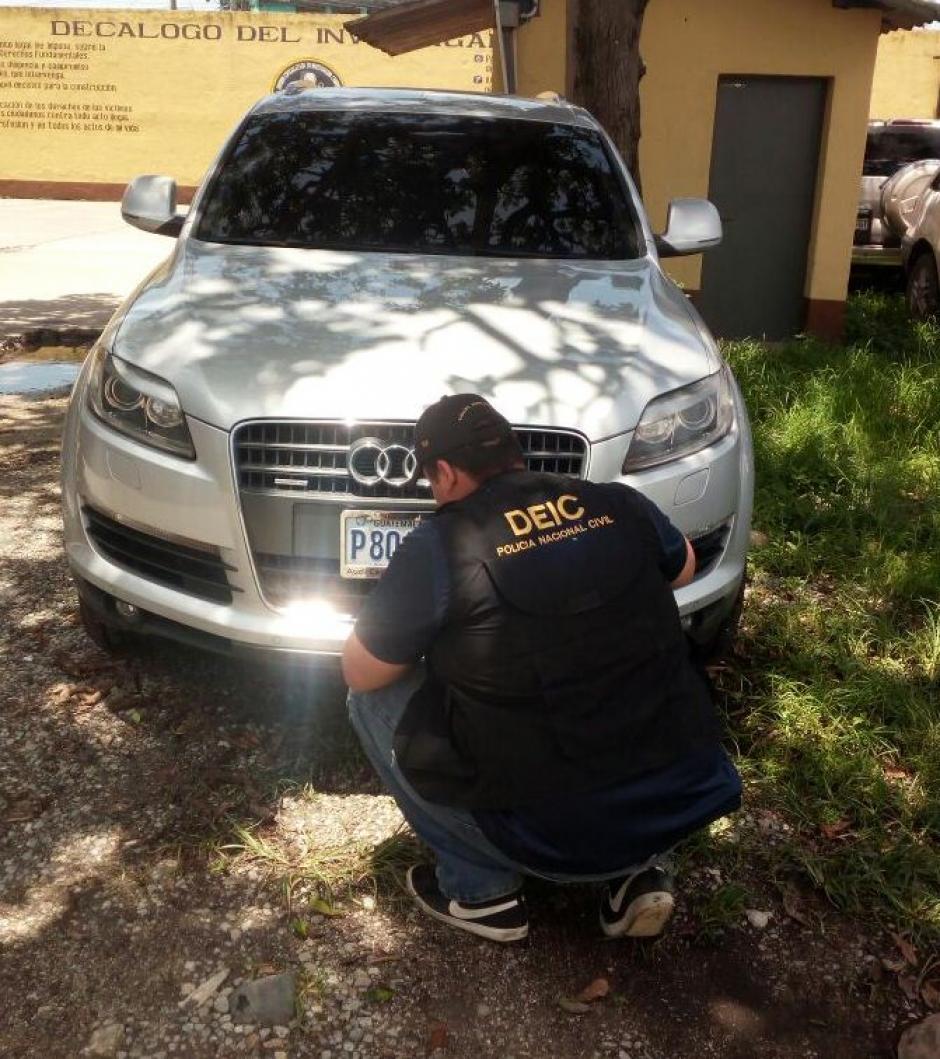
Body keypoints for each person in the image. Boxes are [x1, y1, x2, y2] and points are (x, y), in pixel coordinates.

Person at [342, 394, 741, 943]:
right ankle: (639, 873)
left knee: (370, 701)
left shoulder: (441, 545)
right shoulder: (618, 503)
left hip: (543, 839)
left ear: (444, 473)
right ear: (515, 454)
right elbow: (683, 568)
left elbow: (361, 671)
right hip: (675, 806)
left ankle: (481, 891)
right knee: (626, 667)